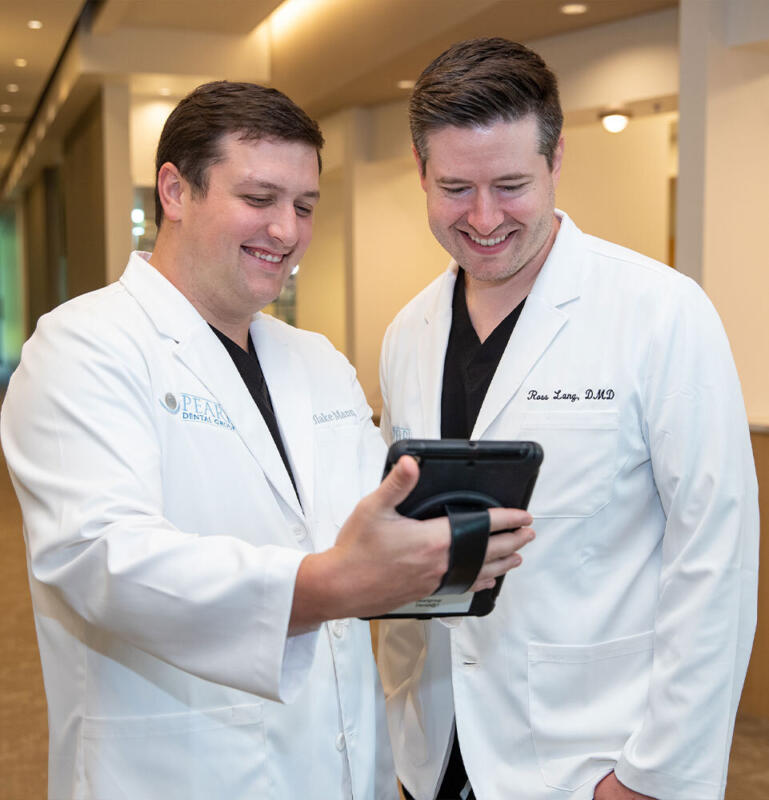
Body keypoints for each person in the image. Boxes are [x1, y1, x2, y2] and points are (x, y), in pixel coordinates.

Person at [0, 81, 534, 800]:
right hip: (177, 773)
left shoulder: (315, 361)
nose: (286, 230)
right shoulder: (83, 347)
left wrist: (441, 543)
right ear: (175, 191)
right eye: (259, 199)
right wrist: (323, 586)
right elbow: (102, 558)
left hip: (342, 763)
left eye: (304, 206)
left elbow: (371, 526)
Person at [377, 38, 759, 800]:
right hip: (438, 749)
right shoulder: (406, 334)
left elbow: (715, 557)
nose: (483, 218)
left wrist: (651, 776)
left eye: (510, 185)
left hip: (595, 761)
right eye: (454, 187)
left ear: (555, 161)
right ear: (420, 172)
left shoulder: (659, 312)